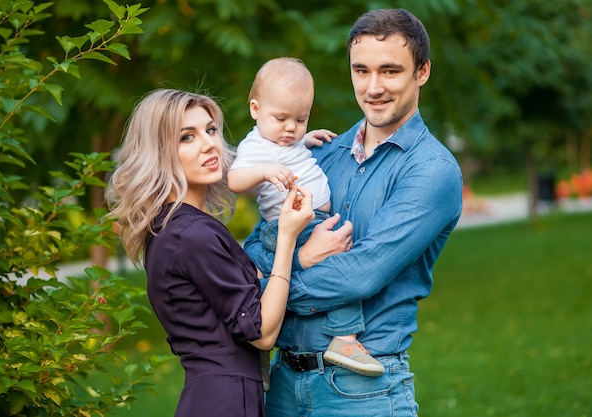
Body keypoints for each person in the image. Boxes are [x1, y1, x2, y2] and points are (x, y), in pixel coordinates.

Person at [243, 8, 464, 417]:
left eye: (390, 71)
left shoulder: (432, 172)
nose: (373, 87)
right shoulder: (319, 155)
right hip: (281, 386)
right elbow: (258, 243)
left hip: (362, 394)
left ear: (422, 72)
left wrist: (259, 292)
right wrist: (293, 260)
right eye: (361, 70)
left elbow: (361, 273)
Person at [107, 88, 315, 417]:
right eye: (186, 137)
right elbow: (261, 332)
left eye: (210, 130)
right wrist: (288, 236)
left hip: (218, 395)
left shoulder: (175, 228)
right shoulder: (191, 234)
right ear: (160, 153)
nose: (209, 144)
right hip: (225, 401)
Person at [227, 57, 384, 381]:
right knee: (342, 264)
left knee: (306, 264)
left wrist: (306, 138)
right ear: (255, 109)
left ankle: (258, 353)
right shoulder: (255, 146)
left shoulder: (288, 138)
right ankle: (344, 338)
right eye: (281, 118)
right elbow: (235, 180)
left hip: (308, 219)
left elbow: (292, 144)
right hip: (288, 224)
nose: (290, 128)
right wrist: (264, 172)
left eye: (301, 118)